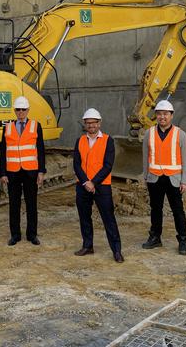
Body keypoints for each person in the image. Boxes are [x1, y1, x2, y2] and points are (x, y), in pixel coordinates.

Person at [73, 108, 124, 263]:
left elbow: (108, 165)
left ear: (99, 123)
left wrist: (93, 182)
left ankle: (116, 250)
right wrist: (85, 182)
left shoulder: (108, 140)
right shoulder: (80, 140)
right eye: (88, 123)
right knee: (84, 217)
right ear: (85, 124)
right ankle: (88, 246)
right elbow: (76, 164)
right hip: (82, 185)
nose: (91, 126)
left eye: (94, 123)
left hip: (102, 185)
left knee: (108, 218)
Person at [141, 100, 186, 255]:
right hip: (154, 177)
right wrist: (145, 176)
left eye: (165, 114)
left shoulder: (180, 134)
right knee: (156, 209)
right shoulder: (149, 133)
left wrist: (185, 180)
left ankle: (183, 240)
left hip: (174, 179)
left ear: (171, 115)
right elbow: (145, 156)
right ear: (156, 115)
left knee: (178, 211)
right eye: (159, 113)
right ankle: (155, 237)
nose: (162, 117)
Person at [0, 96, 46, 246]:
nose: (20, 112)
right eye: (18, 110)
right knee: (14, 204)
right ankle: (15, 235)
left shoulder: (35, 126)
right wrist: (2, 173)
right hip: (13, 171)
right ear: (14, 111)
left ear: (28, 110)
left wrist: (41, 171)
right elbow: (3, 151)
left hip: (30, 171)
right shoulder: (7, 127)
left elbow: (41, 150)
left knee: (32, 204)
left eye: (23, 109)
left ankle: (32, 235)